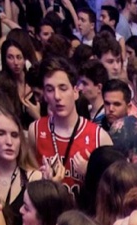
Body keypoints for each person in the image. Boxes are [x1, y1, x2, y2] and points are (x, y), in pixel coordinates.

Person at [31, 57, 112, 191]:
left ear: (75, 92)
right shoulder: (35, 130)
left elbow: (113, 191)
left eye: (63, 88)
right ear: (44, 95)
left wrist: (91, 174)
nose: (57, 96)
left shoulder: (99, 137)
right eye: (50, 89)